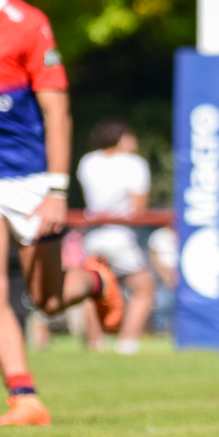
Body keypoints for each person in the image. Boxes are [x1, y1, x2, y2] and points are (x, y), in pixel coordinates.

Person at [0, 0, 123, 426]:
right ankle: (24, 397)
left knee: (48, 298)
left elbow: (57, 111)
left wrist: (57, 190)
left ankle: (98, 281)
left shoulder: (26, 23)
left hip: (31, 180)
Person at [76, 119, 155, 354]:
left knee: (93, 289)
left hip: (92, 235)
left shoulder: (88, 161)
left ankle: (95, 342)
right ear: (121, 138)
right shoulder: (134, 164)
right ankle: (127, 341)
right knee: (144, 289)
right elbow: (138, 206)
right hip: (120, 234)